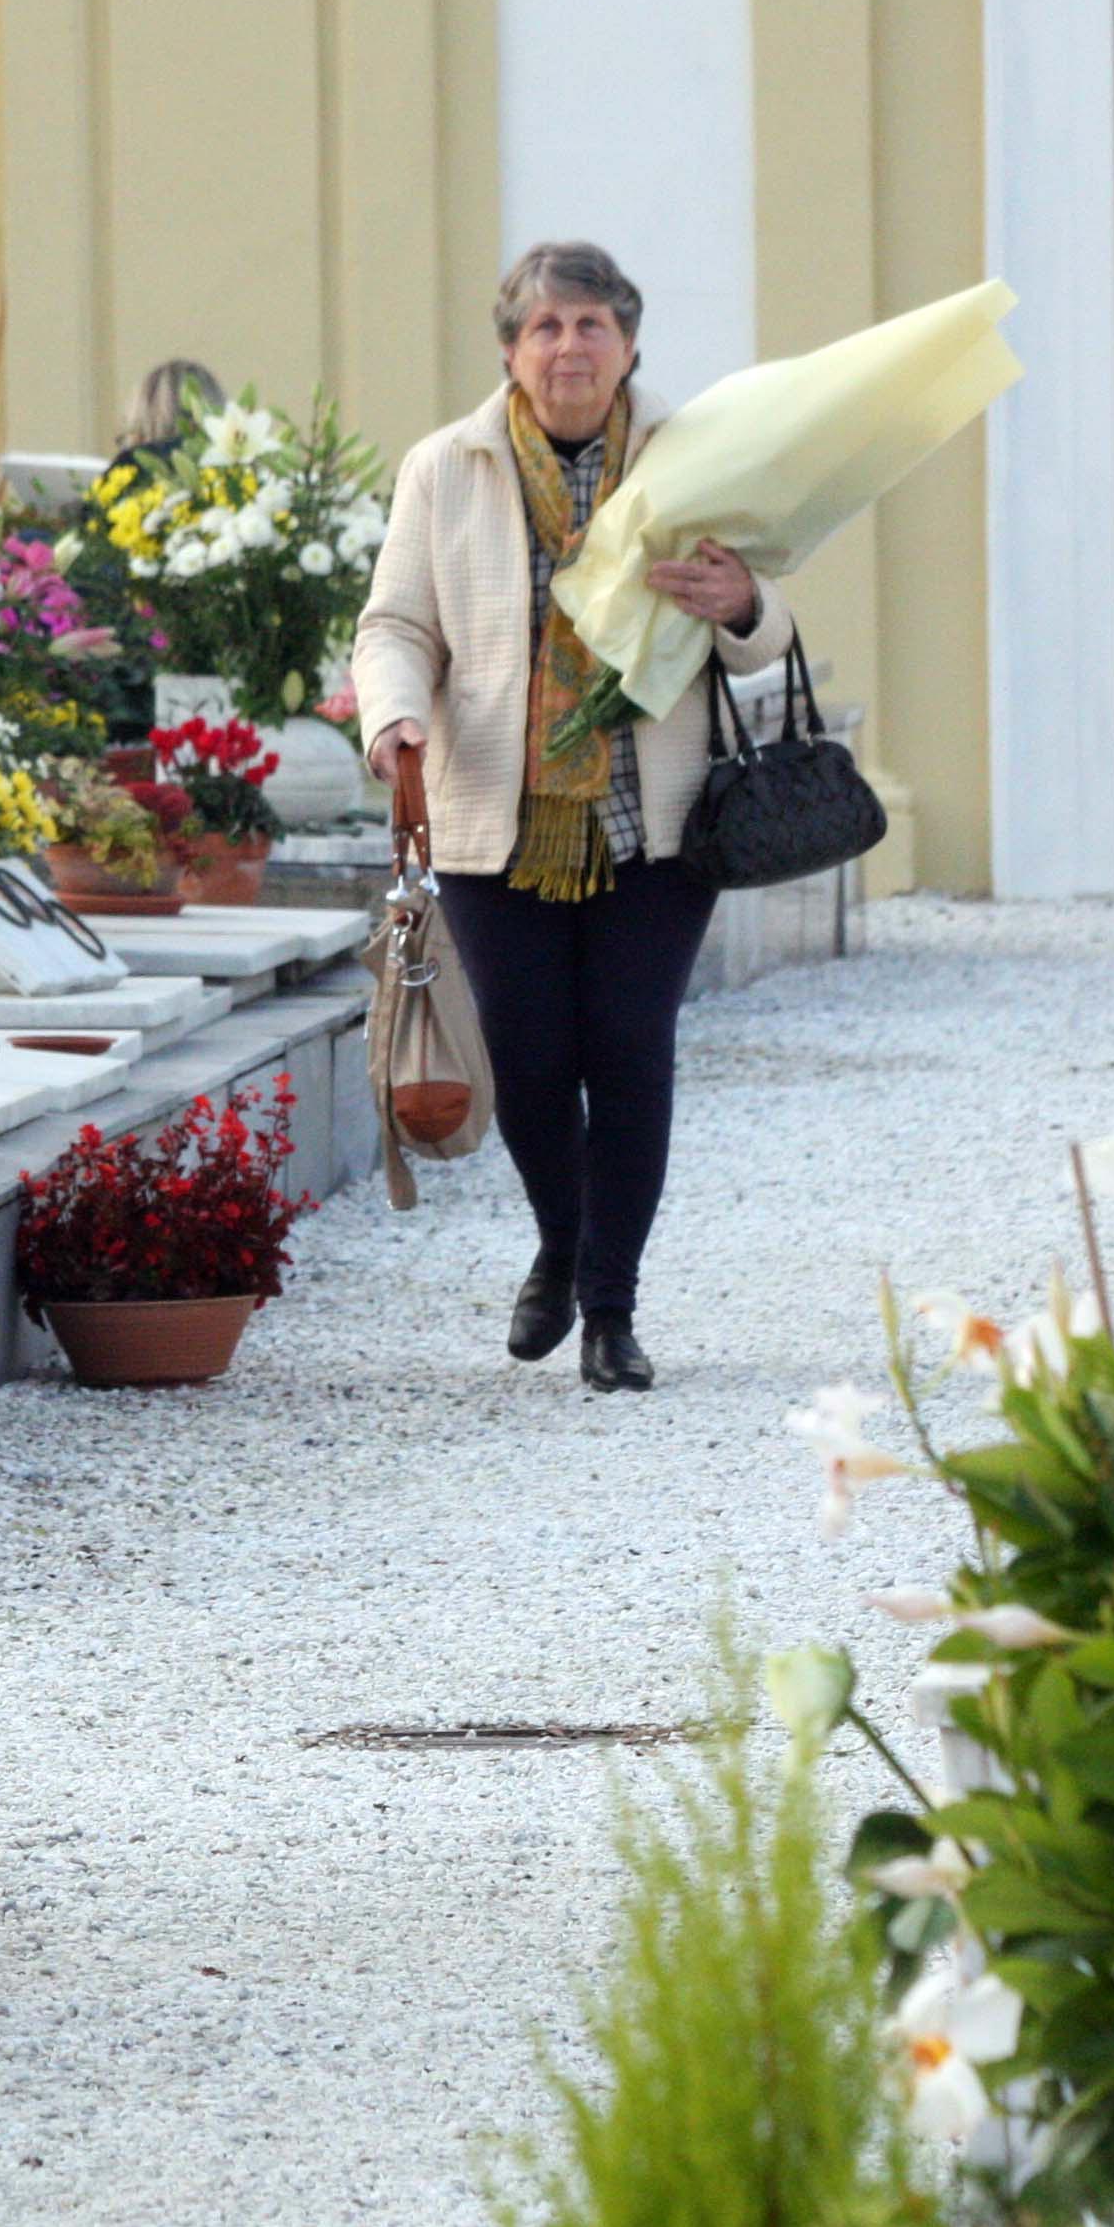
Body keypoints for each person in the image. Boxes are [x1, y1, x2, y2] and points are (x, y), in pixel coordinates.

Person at [353, 241, 794, 1392]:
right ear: (510, 350)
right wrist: (394, 716)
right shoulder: (445, 467)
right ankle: (563, 1239)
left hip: (659, 824)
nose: (569, 347)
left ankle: (609, 1308)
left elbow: (770, 629)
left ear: (629, 344)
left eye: (592, 324)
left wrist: (744, 602)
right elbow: (396, 624)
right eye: (545, 328)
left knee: (630, 1053)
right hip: (496, 817)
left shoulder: (696, 457)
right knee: (533, 1063)